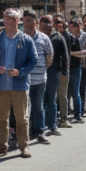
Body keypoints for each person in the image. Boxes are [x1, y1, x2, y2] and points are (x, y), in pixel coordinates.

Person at [0, 9, 38, 158]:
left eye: (12, 18)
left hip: (19, 86)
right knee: (1, 119)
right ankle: (1, 147)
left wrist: (21, 71)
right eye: (6, 18)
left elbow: (33, 59)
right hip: (0, 86)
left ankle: (24, 146)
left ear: (18, 21)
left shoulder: (26, 39)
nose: (8, 21)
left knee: (22, 119)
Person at [23, 10, 53, 145]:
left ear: (35, 22)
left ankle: (40, 131)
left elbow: (49, 55)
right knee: (26, 108)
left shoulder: (44, 38)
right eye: (24, 21)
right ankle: (27, 132)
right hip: (24, 80)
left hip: (40, 79)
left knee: (39, 106)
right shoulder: (21, 37)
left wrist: (42, 69)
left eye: (29, 21)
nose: (26, 24)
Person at [41, 15, 67, 136]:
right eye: (44, 22)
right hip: (39, 72)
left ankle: (52, 125)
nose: (47, 24)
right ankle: (40, 126)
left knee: (51, 99)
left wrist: (65, 72)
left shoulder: (58, 37)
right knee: (41, 100)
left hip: (54, 71)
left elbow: (65, 56)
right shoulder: (37, 36)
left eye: (49, 22)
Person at [66, 18, 86, 122]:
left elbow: (84, 53)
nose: (70, 29)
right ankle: (65, 114)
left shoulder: (76, 39)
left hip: (75, 67)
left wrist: (71, 54)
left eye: (72, 27)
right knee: (66, 93)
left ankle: (78, 114)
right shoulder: (65, 37)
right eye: (69, 27)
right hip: (66, 68)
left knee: (75, 92)